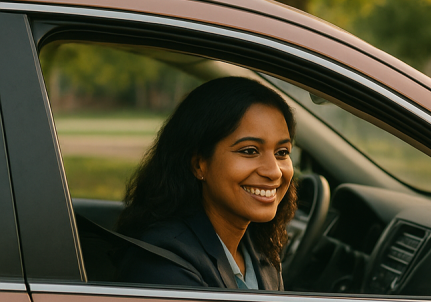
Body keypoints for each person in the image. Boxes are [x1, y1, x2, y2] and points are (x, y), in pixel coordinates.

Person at [118, 76, 297, 290]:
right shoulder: (163, 263)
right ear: (198, 164)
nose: (274, 171)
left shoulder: (258, 248)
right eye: (249, 151)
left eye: (282, 152)